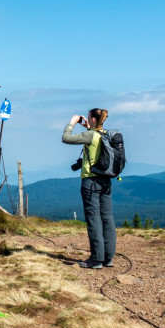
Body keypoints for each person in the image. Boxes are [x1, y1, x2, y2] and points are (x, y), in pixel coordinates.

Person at [62, 108, 116, 269]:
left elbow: (66, 138)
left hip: (91, 182)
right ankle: (108, 258)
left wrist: (72, 123)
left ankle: (96, 259)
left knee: (94, 219)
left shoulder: (90, 135)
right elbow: (96, 142)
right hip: (106, 180)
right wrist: (88, 127)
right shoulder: (105, 134)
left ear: (93, 119)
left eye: (90, 117)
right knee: (107, 218)